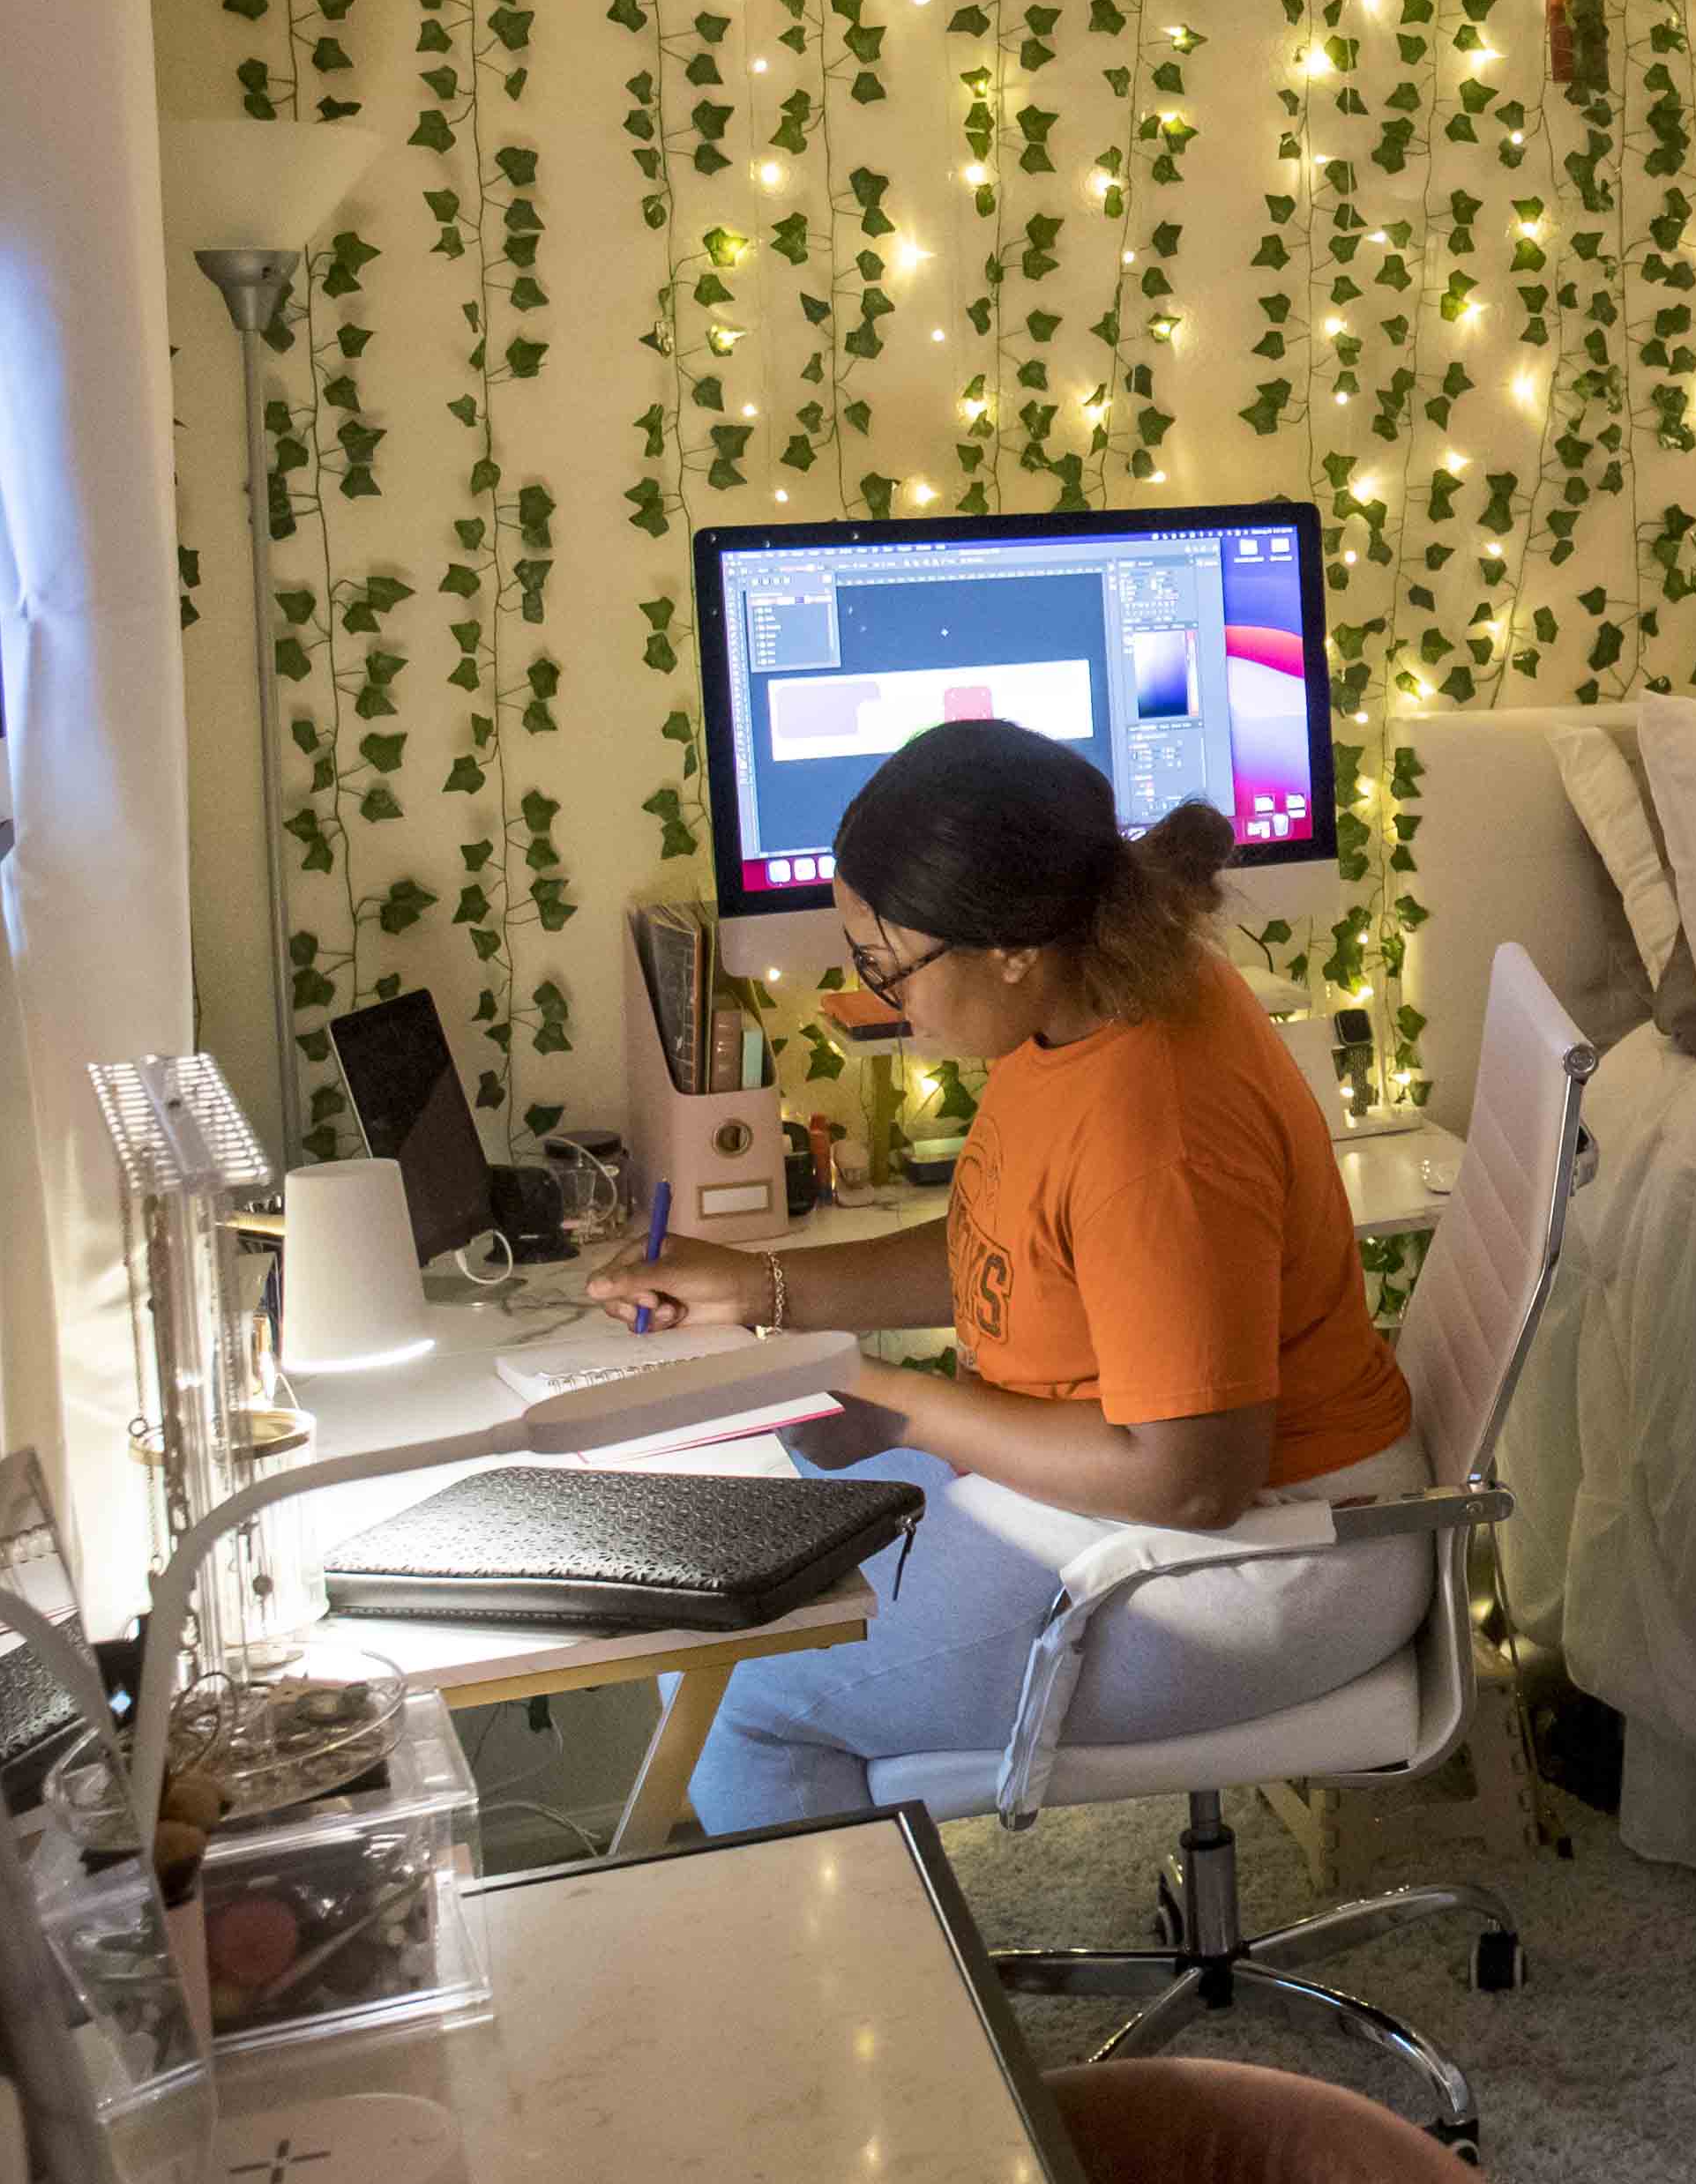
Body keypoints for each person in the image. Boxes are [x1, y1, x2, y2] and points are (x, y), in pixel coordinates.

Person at [594, 717, 1429, 1830]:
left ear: (1012, 947)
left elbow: (1191, 1478)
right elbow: (1011, 1250)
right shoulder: (1083, 1005)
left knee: (731, 1676)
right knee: (719, 1571)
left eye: (890, 963)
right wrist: (759, 1285)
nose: (884, 995)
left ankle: (869, 1993)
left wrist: (900, 1407)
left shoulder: (1153, 1122)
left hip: (1272, 1555)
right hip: (1158, 1504)